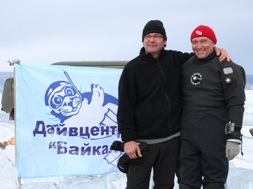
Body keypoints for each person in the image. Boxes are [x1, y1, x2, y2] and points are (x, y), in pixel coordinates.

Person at [117, 20, 230, 189]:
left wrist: (216, 50)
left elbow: (199, 54)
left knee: (165, 185)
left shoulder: (176, 59)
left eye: (157, 36)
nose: (152, 40)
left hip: (171, 142)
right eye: (148, 36)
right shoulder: (133, 69)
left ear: (165, 41)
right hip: (142, 144)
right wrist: (128, 140)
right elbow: (125, 106)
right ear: (143, 41)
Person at [179, 25, 246, 189]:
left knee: (214, 183)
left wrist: (234, 135)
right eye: (194, 42)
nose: (199, 45)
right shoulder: (185, 66)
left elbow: (236, 102)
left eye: (204, 41)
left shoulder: (227, 67)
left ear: (213, 42)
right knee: (186, 182)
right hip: (187, 135)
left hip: (214, 134)